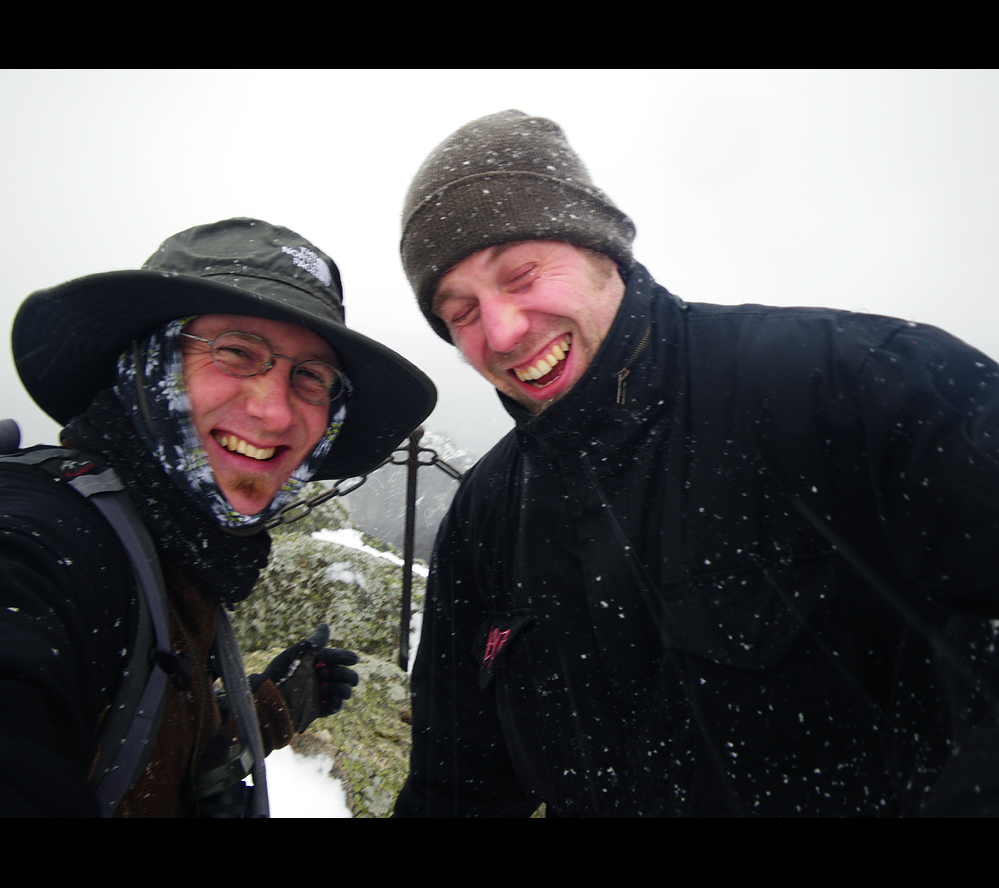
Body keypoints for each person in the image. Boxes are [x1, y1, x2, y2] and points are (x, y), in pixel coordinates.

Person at [392, 110, 999, 817]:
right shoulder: (486, 517)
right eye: (460, 312)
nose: (500, 330)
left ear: (602, 252)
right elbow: (456, 784)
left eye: (521, 276)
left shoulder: (856, 383)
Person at [0, 218, 436, 817]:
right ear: (148, 364)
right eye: (235, 352)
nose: (276, 412)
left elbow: (146, 752)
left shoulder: (174, 545)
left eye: (310, 377)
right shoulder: (46, 548)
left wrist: (267, 710)